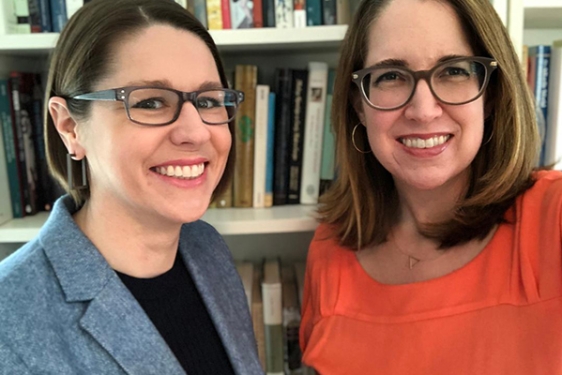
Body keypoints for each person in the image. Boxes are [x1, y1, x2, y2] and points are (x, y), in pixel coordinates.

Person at [0, 0, 263, 373]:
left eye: (207, 101)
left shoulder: (208, 249)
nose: (195, 132)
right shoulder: (8, 323)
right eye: (151, 102)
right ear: (70, 128)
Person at [300, 0, 562, 373]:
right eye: (391, 76)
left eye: (453, 70)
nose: (423, 110)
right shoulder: (330, 249)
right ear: (359, 104)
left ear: (490, 95)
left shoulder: (554, 219)